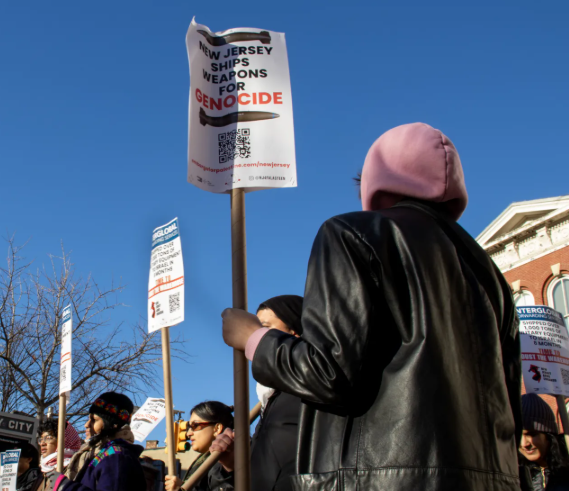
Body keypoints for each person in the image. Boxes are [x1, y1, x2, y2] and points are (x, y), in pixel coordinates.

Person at [221, 122, 523, 490]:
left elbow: (330, 373)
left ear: (375, 181)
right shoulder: (491, 276)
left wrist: (255, 338)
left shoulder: (352, 234)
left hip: (380, 479)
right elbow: (508, 404)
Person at [250, 296, 302, 491]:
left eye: (265, 328)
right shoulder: (269, 401)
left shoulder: (310, 392)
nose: (255, 336)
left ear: (294, 332)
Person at [48, 392, 146, 491]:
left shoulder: (117, 458)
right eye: (88, 418)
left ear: (113, 424)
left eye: (94, 419)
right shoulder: (98, 455)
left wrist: (65, 486)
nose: (86, 424)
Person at [164, 401, 234, 491]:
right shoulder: (204, 460)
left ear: (217, 428)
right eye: (189, 427)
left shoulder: (224, 462)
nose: (188, 433)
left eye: (195, 425)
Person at [518, 394, 569, 490]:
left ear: (549, 436)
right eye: (518, 435)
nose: (524, 444)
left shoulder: (565, 470)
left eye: (532, 434)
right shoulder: (513, 475)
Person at [37, 419, 82, 491]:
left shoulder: (76, 467)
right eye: (41, 439)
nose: (42, 443)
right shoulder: (42, 471)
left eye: (48, 438)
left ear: (64, 440)